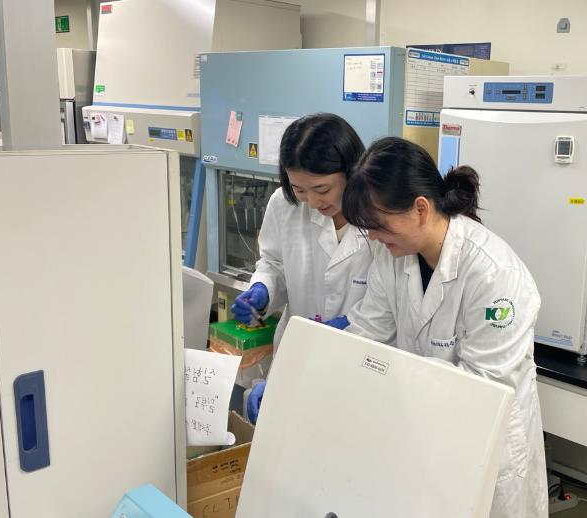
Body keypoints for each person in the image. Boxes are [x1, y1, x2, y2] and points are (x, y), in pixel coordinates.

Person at [338, 137, 548, 518]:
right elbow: (368, 334)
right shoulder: (392, 256)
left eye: (379, 225)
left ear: (420, 209)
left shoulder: (494, 274)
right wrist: (312, 374)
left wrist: (394, 376)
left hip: (486, 443)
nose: (373, 237)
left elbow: (483, 387)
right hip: (425, 431)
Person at [231, 113, 375, 351]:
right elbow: (274, 263)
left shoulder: (378, 215)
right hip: (298, 348)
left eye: (322, 189)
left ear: (352, 171)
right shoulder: (283, 204)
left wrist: (352, 324)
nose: (313, 201)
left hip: (362, 352)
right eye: (299, 189)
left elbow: (389, 298)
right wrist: (263, 288)